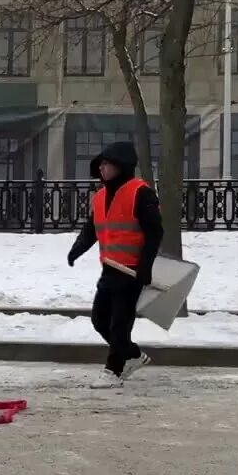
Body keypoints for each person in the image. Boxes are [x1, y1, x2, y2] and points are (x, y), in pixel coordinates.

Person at [67, 141, 163, 388]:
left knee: (119, 324)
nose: (102, 168)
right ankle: (132, 355)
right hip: (110, 268)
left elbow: (155, 233)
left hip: (131, 272)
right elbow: (91, 230)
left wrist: (145, 267)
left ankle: (113, 371)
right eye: (100, 164)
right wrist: (76, 250)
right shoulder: (100, 197)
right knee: (99, 320)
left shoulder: (141, 193)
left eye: (107, 164)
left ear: (121, 166)